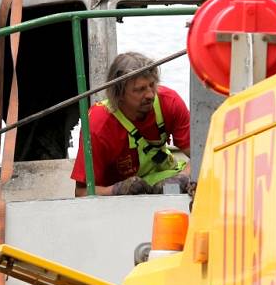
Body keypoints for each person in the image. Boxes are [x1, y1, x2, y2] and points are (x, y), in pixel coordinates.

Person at [71, 51, 191, 196]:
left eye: (152, 85)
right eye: (140, 90)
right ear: (119, 94)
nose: (150, 95)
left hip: (165, 186)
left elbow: (203, 154)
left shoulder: (169, 102)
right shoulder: (98, 126)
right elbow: (82, 193)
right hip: (120, 200)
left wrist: (183, 178)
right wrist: (117, 190)